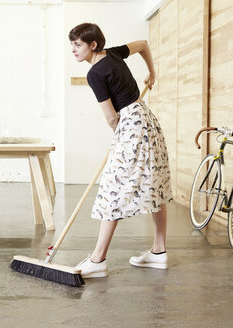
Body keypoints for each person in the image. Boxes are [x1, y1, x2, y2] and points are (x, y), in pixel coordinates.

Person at [69, 23, 173, 278]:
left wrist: (121, 138)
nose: (73, 50)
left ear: (93, 45)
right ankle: (159, 252)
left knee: (111, 190)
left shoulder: (95, 73)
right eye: (72, 44)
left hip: (130, 126)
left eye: (78, 44)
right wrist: (152, 72)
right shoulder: (114, 54)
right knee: (154, 183)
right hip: (146, 119)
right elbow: (144, 45)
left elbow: (110, 117)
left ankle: (97, 259)